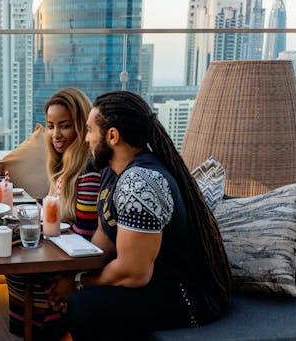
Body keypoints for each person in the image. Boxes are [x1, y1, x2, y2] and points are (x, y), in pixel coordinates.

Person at [49, 91, 232, 339]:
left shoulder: (140, 182)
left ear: (112, 136)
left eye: (91, 131)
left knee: (84, 307)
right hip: (151, 282)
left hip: (184, 295)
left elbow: (133, 273)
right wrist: (72, 276)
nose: (86, 139)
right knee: (60, 317)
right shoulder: (112, 173)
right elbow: (103, 241)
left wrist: (79, 284)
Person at [6, 87, 101, 340]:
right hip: (64, 252)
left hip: (79, 261)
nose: (55, 134)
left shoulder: (88, 171)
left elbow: (88, 235)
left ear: (82, 126)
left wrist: (69, 278)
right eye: (50, 126)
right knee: (15, 264)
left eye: (65, 126)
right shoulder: (62, 167)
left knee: (23, 268)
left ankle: (49, 329)